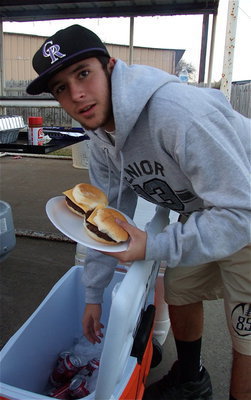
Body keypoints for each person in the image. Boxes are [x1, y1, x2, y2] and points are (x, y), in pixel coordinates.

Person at [27, 24, 251, 400]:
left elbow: (242, 212)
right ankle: (190, 377)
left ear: (111, 68)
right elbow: (104, 217)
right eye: (61, 88)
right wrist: (93, 295)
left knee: (245, 332)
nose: (77, 94)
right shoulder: (100, 139)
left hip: (244, 208)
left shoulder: (179, 116)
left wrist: (152, 245)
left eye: (83, 74)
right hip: (201, 211)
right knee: (179, 291)